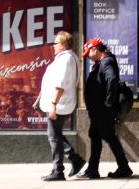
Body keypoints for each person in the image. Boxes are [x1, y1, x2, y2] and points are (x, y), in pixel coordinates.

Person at [80, 39, 132, 180]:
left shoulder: (106, 62)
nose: (88, 57)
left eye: (88, 53)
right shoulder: (101, 62)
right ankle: (92, 169)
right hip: (98, 111)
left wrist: (109, 101)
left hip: (103, 110)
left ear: (95, 49)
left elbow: (112, 79)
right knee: (96, 136)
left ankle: (124, 167)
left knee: (109, 136)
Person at [39, 31, 85, 181]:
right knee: (56, 134)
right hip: (61, 103)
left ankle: (58, 170)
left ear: (63, 44)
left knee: (53, 137)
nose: (53, 46)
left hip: (59, 104)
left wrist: (53, 104)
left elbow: (60, 84)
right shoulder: (68, 58)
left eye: (56, 43)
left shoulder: (66, 60)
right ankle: (75, 159)